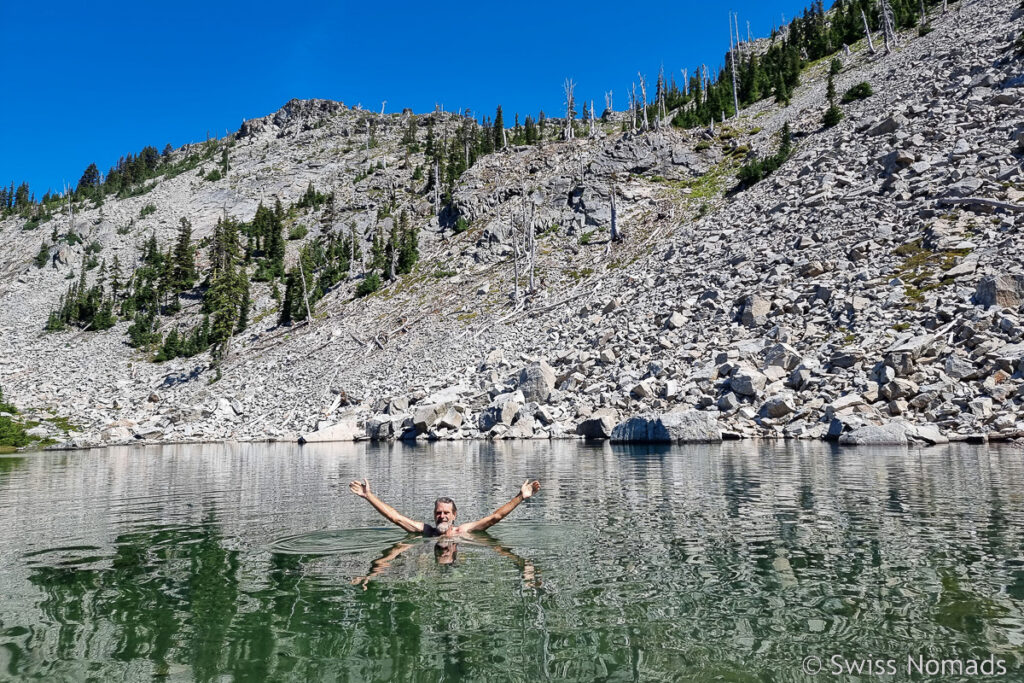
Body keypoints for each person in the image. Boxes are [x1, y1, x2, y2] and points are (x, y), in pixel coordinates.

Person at [348, 477, 540, 536]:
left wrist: (520, 497)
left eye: (446, 513)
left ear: (454, 515)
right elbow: (395, 517)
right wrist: (369, 496)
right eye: (439, 513)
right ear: (434, 514)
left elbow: (494, 518)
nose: (442, 516)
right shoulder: (425, 531)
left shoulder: (462, 531)